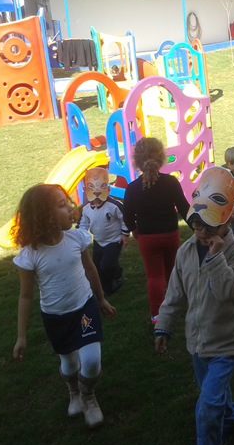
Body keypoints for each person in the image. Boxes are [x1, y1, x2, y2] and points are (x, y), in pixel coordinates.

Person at [154, 166, 234, 445]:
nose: (204, 233)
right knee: (214, 391)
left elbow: (227, 291)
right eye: (197, 225)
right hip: (197, 343)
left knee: (208, 405)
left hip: (227, 341)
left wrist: (215, 258)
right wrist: (164, 326)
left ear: (227, 221)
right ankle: (231, 418)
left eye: (210, 226)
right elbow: (175, 294)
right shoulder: (184, 253)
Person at [11, 184, 116, 429]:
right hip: (56, 317)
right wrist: (21, 336)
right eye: (62, 205)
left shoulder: (77, 238)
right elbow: (25, 296)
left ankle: (88, 397)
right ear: (43, 216)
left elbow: (90, 269)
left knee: (91, 360)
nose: (71, 208)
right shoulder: (30, 254)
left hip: (84, 308)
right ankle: (74, 392)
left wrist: (101, 299)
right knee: (68, 363)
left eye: (68, 202)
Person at [123, 137, 190, 325]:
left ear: (137, 160)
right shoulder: (171, 182)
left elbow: (127, 216)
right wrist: (198, 228)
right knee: (171, 271)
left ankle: (156, 315)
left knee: (154, 276)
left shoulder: (133, 188)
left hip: (147, 238)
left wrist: (134, 230)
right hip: (170, 235)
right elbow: (185, 209)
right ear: (161, 157)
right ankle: (176, 305)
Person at [77, 167, 129, 297]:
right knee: (97, 266)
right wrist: (79, 238)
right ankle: (106, 288)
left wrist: (125, 234)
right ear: (86, 191)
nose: (97, 197)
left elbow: (125, 218)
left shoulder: (114, 205)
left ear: (108, 190)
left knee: (107, 265)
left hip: (114, 240)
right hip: (98, 241)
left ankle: (117, 274)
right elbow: (83, 224)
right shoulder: (86, 208)